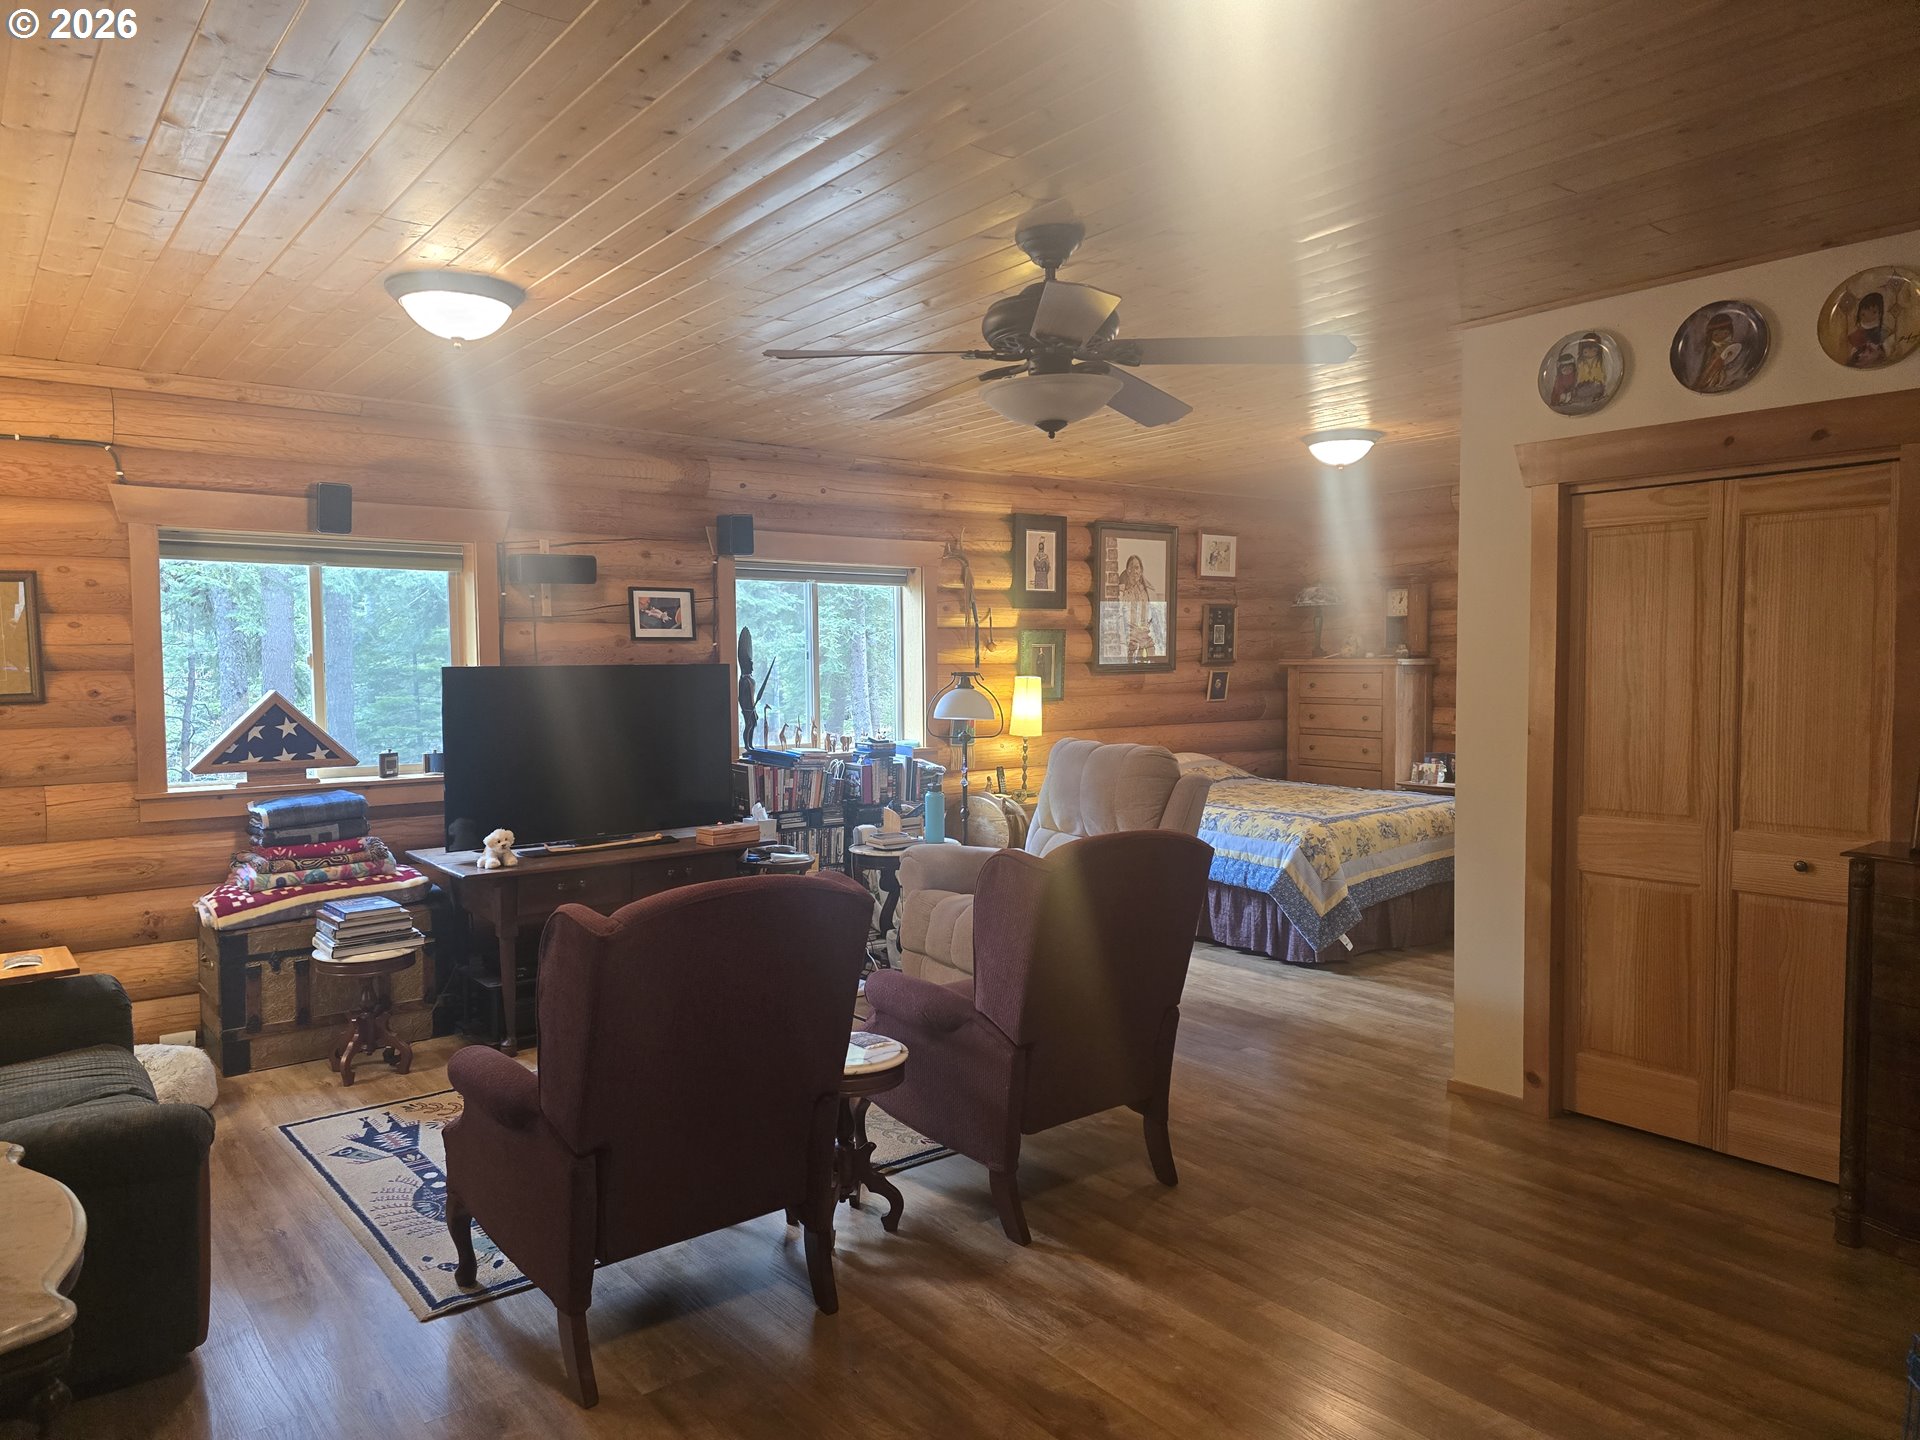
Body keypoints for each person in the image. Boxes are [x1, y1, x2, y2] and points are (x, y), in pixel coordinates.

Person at [1118, 553, 1158, 662]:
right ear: (1127, 571)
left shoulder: (1146, 592)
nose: (1134, 571)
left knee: (1151, 650)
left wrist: (1147, 626)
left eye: (1137, 568)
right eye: (1131, 568)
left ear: (1141, 571)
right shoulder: (1123, 591)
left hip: (1144, 631)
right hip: (1129, 632)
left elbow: (1151, 613)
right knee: (1131, 649)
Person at [1694, 312, 1745, 392]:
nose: (1721, 337)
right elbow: (1706, 374)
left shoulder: (1735, 348)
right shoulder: (1710, 354)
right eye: (1716, 335)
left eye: (1725, 333)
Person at [1845, 291, 1888, 367]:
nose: (1868, 317)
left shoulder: (1884, 332)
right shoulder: (1856, 334)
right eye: (1863, 314)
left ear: (1880, 314)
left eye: (1874, 312)